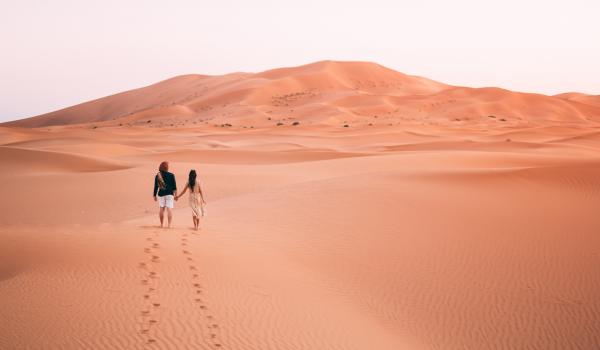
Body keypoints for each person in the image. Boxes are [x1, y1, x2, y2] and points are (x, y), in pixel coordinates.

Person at [153, 161, 177, 228]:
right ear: (167, 167)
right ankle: (169, 225)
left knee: (161, 209)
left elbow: (156, 186)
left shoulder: (157, 176)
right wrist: (176, 195)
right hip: (169, 194)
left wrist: (154, 195)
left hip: (161, 194)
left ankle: (161, 224)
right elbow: (174, 187)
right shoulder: (171, 175)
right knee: (169, 209)